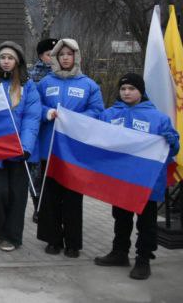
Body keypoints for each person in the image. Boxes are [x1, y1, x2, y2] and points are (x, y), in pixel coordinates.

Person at [94, 73, 179, 280]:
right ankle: (120, 253)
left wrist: (172, 141)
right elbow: (97, 138)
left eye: (131, 89)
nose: (126, 92)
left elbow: (173, 149)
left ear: (141, 91)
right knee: (121, 218)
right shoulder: (109, 115)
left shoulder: (158, 118)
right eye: (123, 89)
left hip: (147, 181)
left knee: (146, 222)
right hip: (120, 179)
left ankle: (143, 259)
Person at [37, 38, 104, 257]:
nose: (65, 57)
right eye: (61, 54)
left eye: (69, 54)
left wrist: (75, 119)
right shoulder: (46, 83)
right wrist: (48, 113)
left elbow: (97, 112)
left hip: (75, 151)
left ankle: (73, 242)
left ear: (76, 56)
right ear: (55, 58)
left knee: (73, 198)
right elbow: (34, 107)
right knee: (51, 197)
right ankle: (53, 239)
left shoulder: (88, 84)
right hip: (51, 148)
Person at [0, 41, 41, 252]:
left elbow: (32, 117)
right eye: (2, 58)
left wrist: (26, 146)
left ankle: (12, 236)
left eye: (10, 58)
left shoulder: (28, 87)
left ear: (17, 61)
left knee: (17, 196)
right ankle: (1, 228)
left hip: (19, 151)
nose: (6, 62)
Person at [27, 37, 57, 223]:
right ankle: (38, 205)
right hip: (39, 129)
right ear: (41, 56)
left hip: (59, 130)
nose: (53, 58)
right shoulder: (32, 76)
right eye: (49, 54)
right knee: (36, 172)